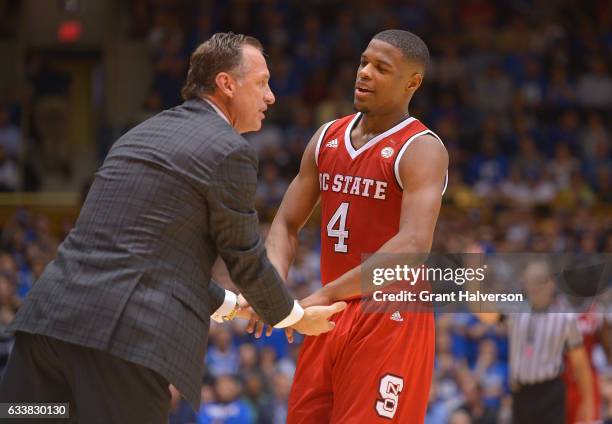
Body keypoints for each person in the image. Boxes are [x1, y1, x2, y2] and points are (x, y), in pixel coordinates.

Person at [0, 32, 345, 423]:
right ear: (227, 84)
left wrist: (237, 309)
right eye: (263, 82)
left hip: (47, 326)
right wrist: (295, 317)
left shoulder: (138, 134)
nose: (271, 97)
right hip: (122, 342)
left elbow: (151, 258)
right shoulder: (228, 150)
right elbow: (246, 260)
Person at [259, 30, 449, 422]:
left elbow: (413, 246)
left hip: (390, 313)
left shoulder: (422, 148)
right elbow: (286, 224)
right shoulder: (327, 137)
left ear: (412, 82)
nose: (365, 73)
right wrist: (272, 285)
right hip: (330, 312)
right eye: (364, 62)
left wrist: (327, 293)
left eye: (381, 68)